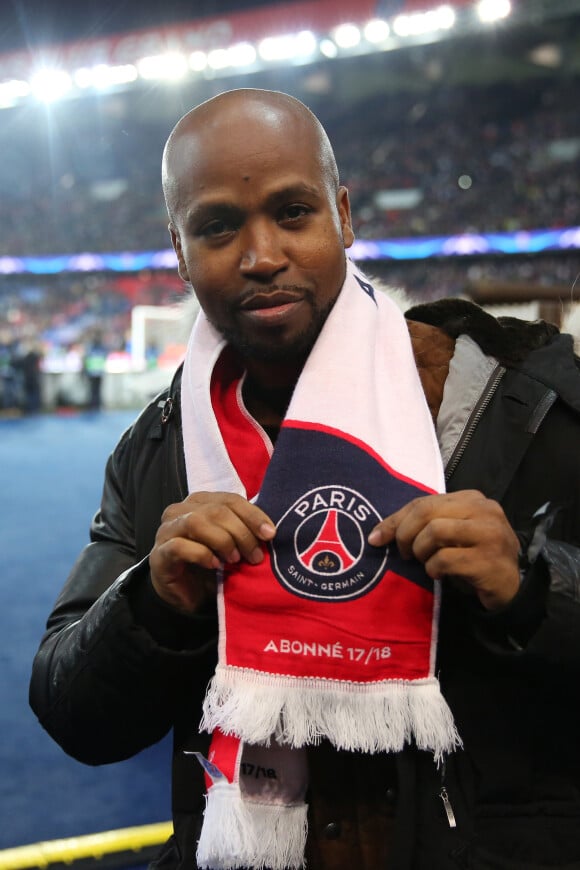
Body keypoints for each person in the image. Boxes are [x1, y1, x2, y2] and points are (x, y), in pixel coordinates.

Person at [29, 89, 580, 870]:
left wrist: (531, 590)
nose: (261, 256)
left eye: (293, 213)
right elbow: (72, 713)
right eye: (218, 226)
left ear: (344, 216)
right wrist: (151, 605)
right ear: (179, 250)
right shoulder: (160, 448)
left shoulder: (517, 407)